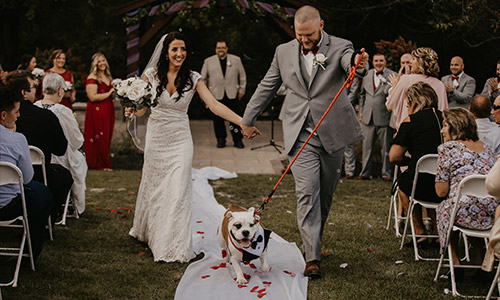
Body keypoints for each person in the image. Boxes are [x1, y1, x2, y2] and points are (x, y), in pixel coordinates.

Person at [241, 5, 366, 278]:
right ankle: (312, 258)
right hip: (300, 134)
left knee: (325, 195)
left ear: (321, 24)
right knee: (307, 192)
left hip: (332, 132)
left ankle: (314, 241)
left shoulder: (342, 46)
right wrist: (247, 119)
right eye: (300, 35)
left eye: (309, 35)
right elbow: (267, 85)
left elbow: (349, 61)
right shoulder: (283, 51)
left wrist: (357, 62)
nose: (304, 40)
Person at [127, 32, 245, 263]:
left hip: (180, 139)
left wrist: (241, 122)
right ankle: (146, 230)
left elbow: (213, 105)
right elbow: (142, 110)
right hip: (157, 138)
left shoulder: (194, 78)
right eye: (175, 49)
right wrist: (132, 107)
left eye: (183, 49)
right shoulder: (150, 76)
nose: (179, 54)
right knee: (155, 186)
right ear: (166, 52)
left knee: (178, 191)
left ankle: (174, 246)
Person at [435, 108, 498, 272]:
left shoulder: (447, 149)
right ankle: (479, 258)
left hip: (463, 212)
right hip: (492, 215)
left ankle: (454, 260)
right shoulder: (488, 148)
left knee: (447, 207)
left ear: (455, 126)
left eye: (445, 125)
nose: (442, 130)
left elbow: (441, 192)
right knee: (468, 202)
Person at [6, 70, 73, 223]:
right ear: (24, 92)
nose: (36, 91)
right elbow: (60, 149)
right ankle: (47, 217)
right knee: (64, 177)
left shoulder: (4, 117)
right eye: (33, 87)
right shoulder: (46, 116)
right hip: (39, 176)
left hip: (7, 176)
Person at [0, 84, 52, 263]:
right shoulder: (17, 139)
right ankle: (32, 251)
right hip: (7, 207)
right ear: (3, 115)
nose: (19, 115)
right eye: (16, 111)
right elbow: (27, 178)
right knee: (43, 194)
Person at [389, 82, 445, 246]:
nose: (407, 106)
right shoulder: (447, 119)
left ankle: (420, 232)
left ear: (415, 102)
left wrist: (410, 161)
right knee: (433, 183)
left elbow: (394, 157)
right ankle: (438, 232)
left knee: (404, 185)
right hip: (445, 183)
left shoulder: (411, 121)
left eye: (408, 103)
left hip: (420, 183)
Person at [35, 73, 87, 215]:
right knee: (80, 157)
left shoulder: (33, 107)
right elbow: (76, 141)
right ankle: (71, 202)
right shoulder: (63, 111)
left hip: (35, 159)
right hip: (59, 161)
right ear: (59, 90)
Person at [386, 47, 448, 131]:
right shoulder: (440, 84)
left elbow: (389, 105)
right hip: (432, 130)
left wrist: (394, 87)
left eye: (414, 59)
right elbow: (443, 112)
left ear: (421, 62)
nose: (411, 62)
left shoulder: (405, 80)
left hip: (409, 128)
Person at [357, 53, 396, 181]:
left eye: (381, 60)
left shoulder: (392, 75)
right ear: (372, 62)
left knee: (386, 148)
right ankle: (365, 173)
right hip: (368, 117)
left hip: (384, 116)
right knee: (366, 147)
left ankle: (386, 173)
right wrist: (361, 112)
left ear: (385, 62)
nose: (378, 63)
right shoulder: (367, 74)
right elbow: (362, 95)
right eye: (376, 61)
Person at [201, 40, 247, 148]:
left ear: (226, 49)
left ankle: (237, 140)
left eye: (223, 47)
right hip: (215, 96)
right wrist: (205, 95)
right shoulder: (208, 61)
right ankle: (221, 139)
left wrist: (242, 90)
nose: (220, 50)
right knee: (218, 120)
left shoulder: (236, 60)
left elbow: (242, 76)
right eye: (218, 48)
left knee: (235, 119)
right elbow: (202, 79)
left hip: (232, 94)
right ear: (215, 49)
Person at [83, 53, 115, 171]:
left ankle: (104, 161)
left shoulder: (107, 76)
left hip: (108, 109)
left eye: (103, 61)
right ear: (95, 64)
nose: (102, 63)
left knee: (106, 136)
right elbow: (92, 97)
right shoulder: (92, 77)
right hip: (97, 110)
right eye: (99, 61)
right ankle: (97, 163)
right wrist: (109, 93)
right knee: (98, 136)